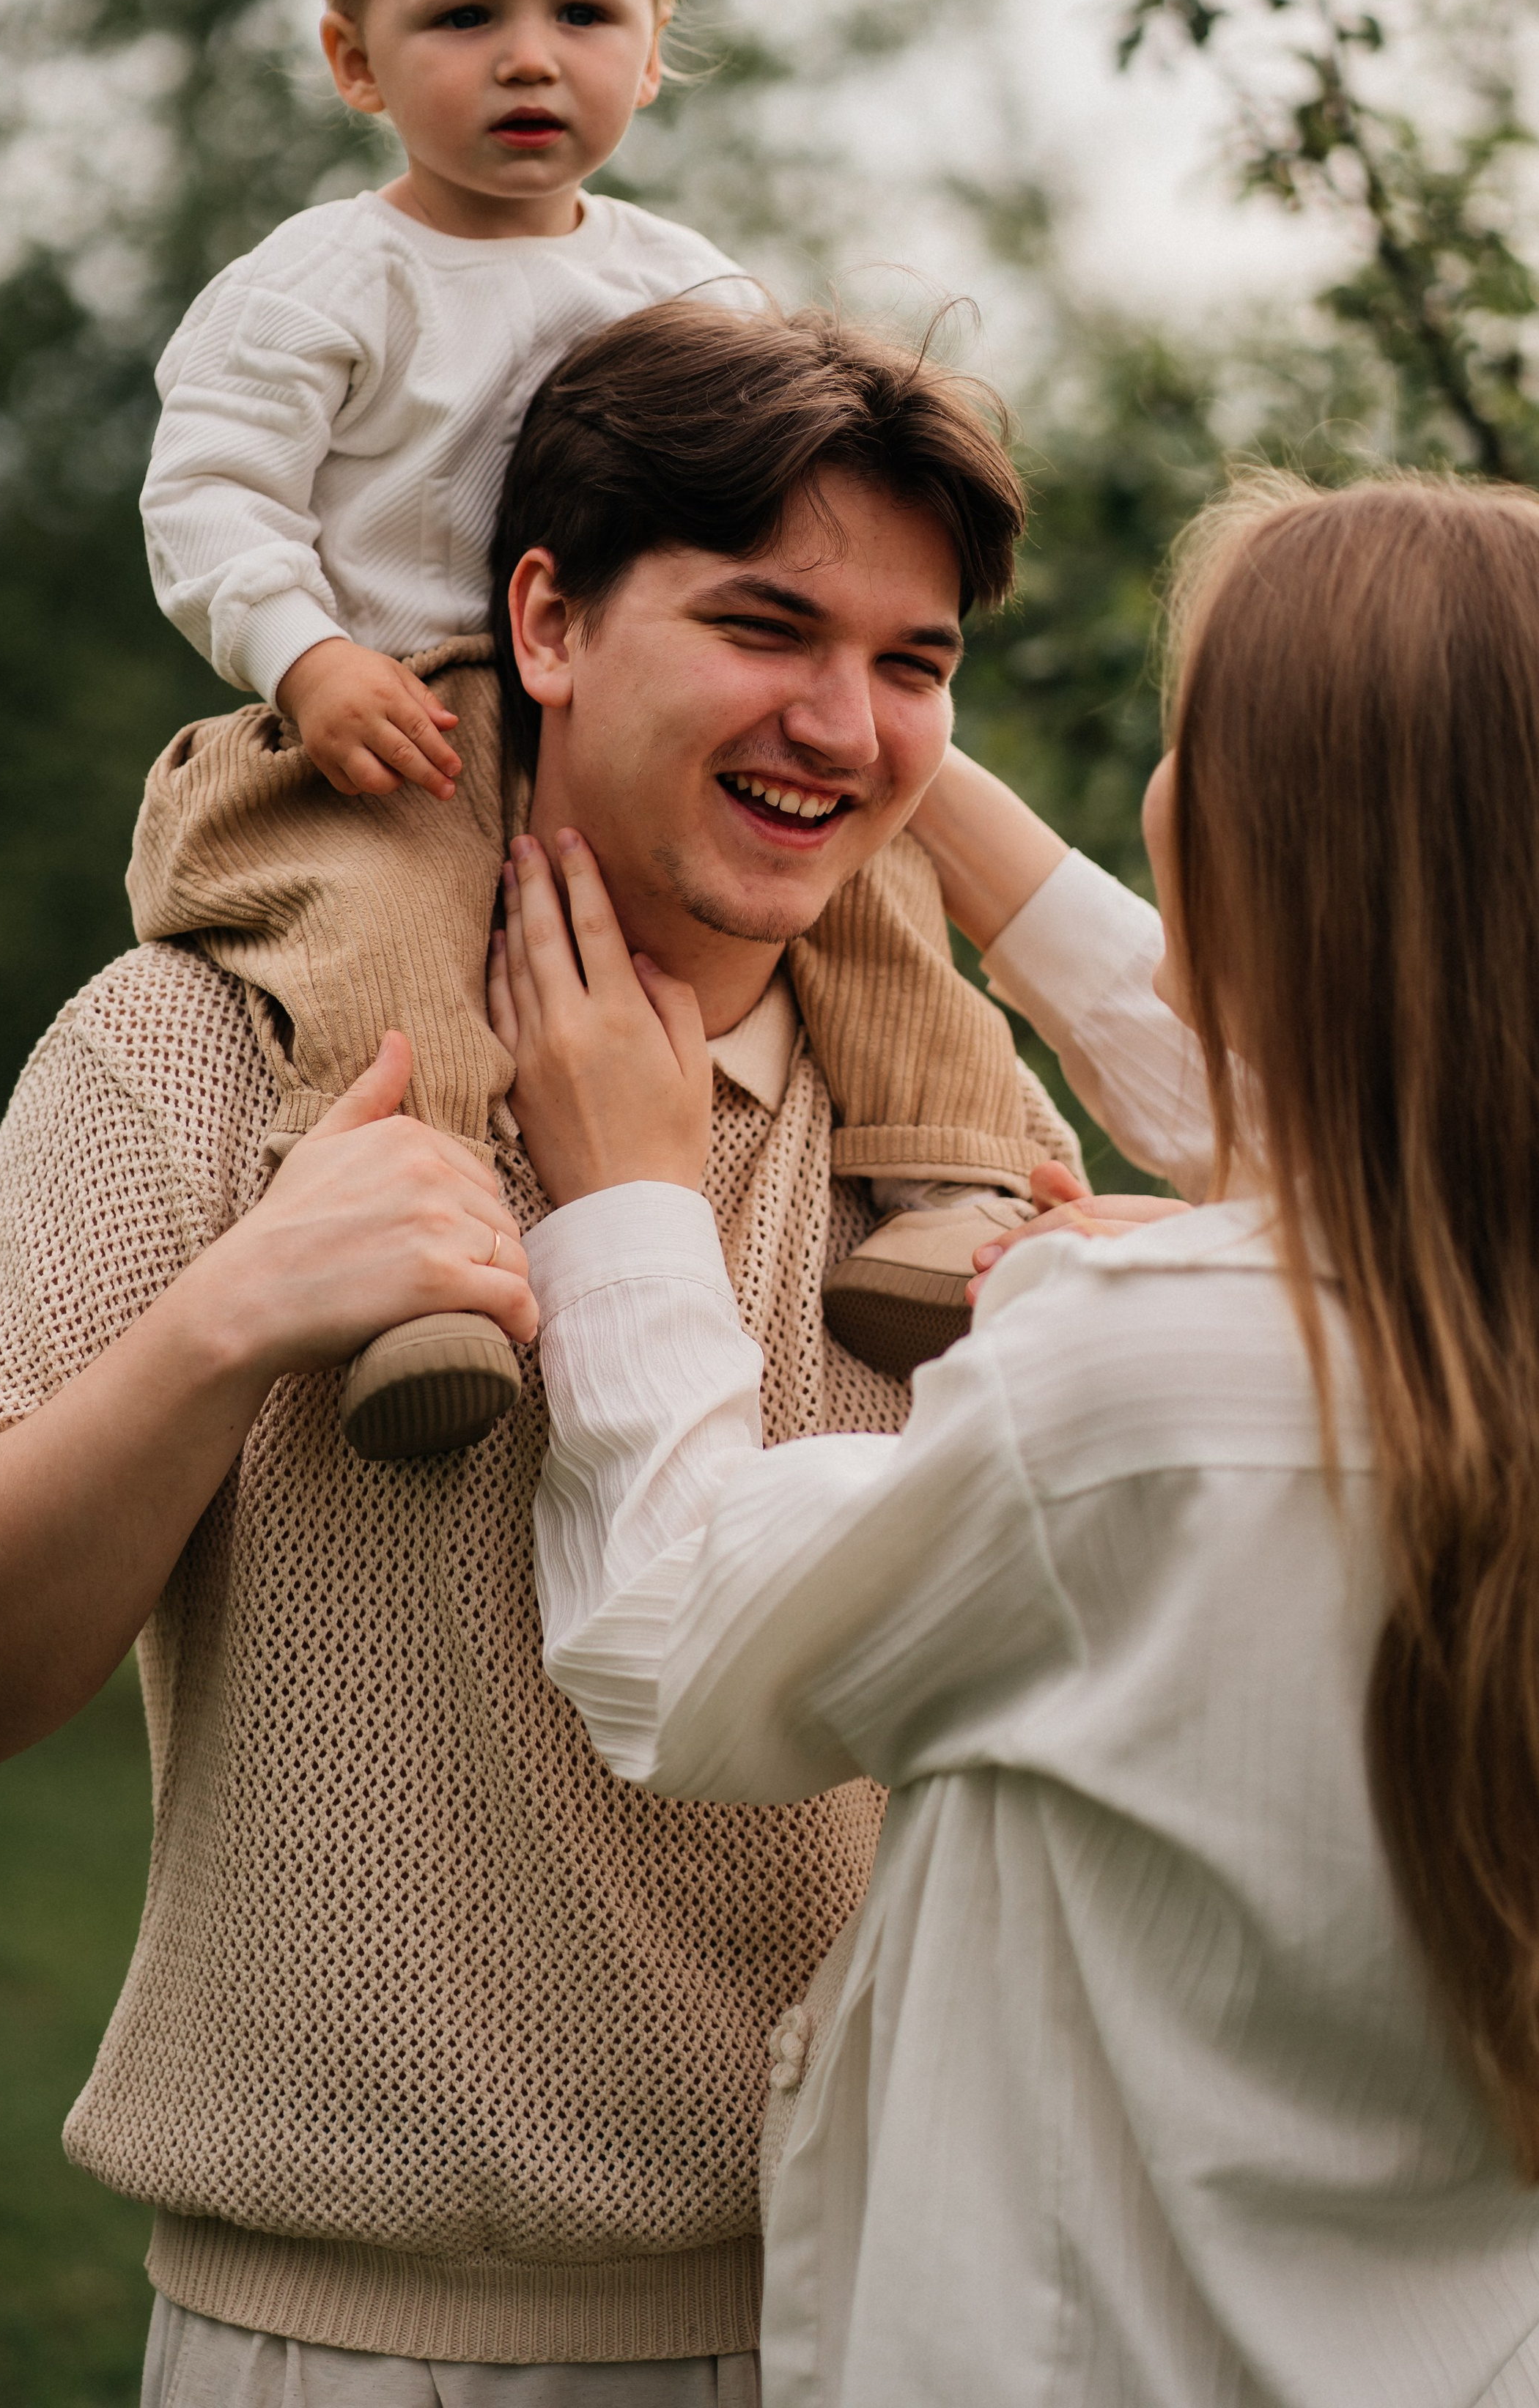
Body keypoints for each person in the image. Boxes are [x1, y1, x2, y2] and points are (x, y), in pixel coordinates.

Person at [0, 326, 1079, 2403]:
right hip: (345, 2349)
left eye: (915, 663)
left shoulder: (968, 1170)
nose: (842, 728)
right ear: (548, 620)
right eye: (764, 624)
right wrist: (230, 1314)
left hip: (899, 2328)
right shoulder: (194, 1047)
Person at [498, 472, 1539, 2406]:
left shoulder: (1142, 1389)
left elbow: (676, 1642)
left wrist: (629, 1207)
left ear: (1253, 847)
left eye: (1188, 744)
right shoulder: (1427, 1329)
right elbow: (1390, 1108)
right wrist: (893, 754)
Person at [133, 0, 1071, 1458]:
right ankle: (408, 1262)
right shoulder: (318, 287)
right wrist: (304, 653)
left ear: (647, 59)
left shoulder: (682, 286)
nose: (525, 55)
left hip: (618, 703)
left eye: (581, 12)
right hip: (394, 711)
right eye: (461, 14)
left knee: (868, 895)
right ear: (354, 60)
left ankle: (947, 1179)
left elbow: (778, 491)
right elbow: (206, 499)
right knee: (383, 947)